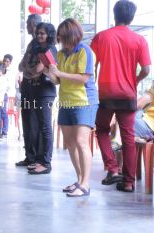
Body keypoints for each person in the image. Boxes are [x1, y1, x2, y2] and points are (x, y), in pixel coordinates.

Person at [91, 0, 151, 192]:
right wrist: (135, 80)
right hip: (128, 93)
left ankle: (112, 168)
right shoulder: (139, 40)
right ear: (131, 17)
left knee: (101, 129)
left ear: (114, 15)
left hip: (107, 92)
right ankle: (128, 182)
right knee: (128, 137)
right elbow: (147, 69)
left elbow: (90, 65)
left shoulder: (101, 37)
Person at [48, 18, 98, 197]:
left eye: (62, 37)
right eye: (59, 37)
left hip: (84, 101)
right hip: (66, 101)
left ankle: (85, 184)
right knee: (69, 143)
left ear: (72, 35)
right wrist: (50, 73)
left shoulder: (85, 51)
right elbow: (58, 81)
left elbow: (83, 78)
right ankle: (79, 180)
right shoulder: (61, 54)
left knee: (81, 142)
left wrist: (59, 73)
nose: (60, 41)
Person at [26, 22, 57, 175]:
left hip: (46, 92)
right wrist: (31, 71)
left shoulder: (50, 48)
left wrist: (31, 71)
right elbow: (25, 68)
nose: (39, 35)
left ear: (49, 34)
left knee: (45, 127)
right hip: (37, 90)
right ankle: (39, 160)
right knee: (39, 126)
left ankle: (46, 162)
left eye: (42, 33)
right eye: (38, 33)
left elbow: (37, 70)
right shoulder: (38, 48)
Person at [15, 14, 43, 167]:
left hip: (37, 87)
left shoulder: (42, 44)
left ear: (33, 24)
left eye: (27, 23)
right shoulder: (31, 44)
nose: (26, 26)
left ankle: (37, 158)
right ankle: (29, 156)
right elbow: (21, 65)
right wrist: (28, 69)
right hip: (27, 85)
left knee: (36, 122)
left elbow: (37, 69)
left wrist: (28, 69)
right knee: (26, 121)